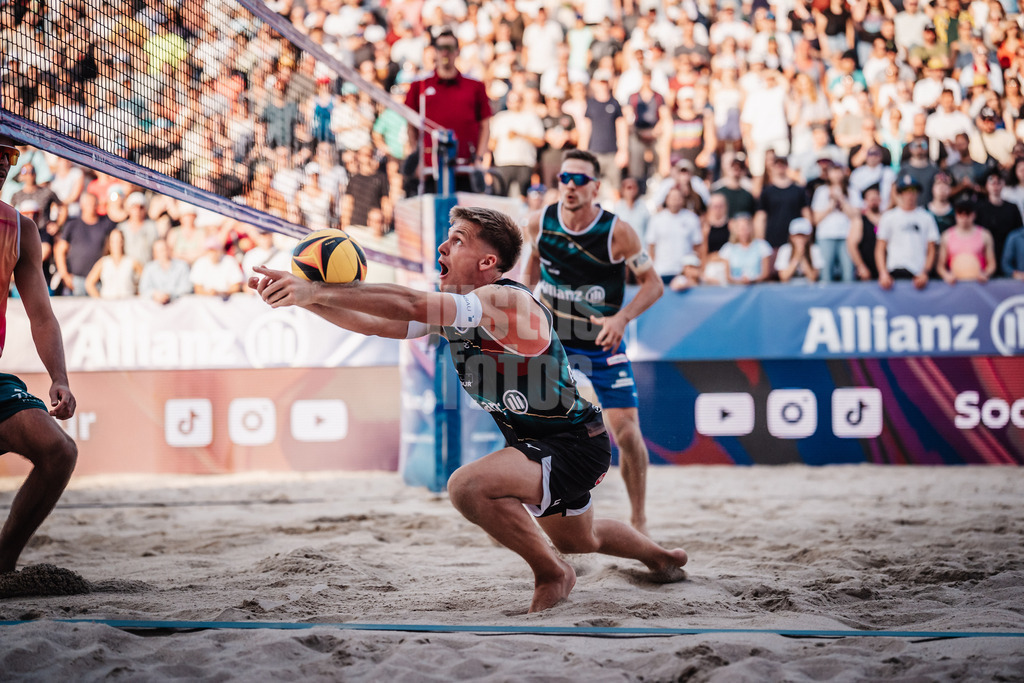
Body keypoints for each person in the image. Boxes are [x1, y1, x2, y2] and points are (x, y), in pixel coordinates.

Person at [250, 205, 686, 613]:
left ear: (487, 263)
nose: (442, 247)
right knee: (581, 538)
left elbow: (409, 304)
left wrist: (316, 288)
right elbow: (378, 323)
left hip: (572, 442)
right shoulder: (457, 314)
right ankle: (661, 558)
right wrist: (307, 300)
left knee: (467, 487)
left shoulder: (506, 301)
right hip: (543, 442)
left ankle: (552, 573)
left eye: (457, 240)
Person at [524, 150, 663, 536]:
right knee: (539, 433)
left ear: (596, 187)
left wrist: (622, 318)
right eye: (565, 178)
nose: (570, 185)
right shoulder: (539, 223)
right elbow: (528, 274)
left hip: (601, 339)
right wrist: (526, 309)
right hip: (553, 342)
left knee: (628, 435)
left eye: (580, 180)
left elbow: (655, 285)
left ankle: (638, 518)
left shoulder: (618, 231)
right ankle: (551, 520)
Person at [0, 135, 78, 574]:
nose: (3, 163)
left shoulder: (20, 228)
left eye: (8, 155)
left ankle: (2, 566)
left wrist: (60, 378)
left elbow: (42, 317)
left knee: (59, 452)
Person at [403, 28, 492, 195]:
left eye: (450, 48)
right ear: (434, 52)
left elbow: (485, 125)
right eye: (441, 48)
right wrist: (417, 157)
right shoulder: (419, 86)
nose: (445, 53)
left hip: (466, 169)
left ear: (457, 51)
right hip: (430, 171)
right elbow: (411, 125)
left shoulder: (475, 87)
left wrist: (479, 158)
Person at [876, 174, 940, 290]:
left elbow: (932, 249)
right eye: (906, 191)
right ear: (900, 194)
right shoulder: (888, 217)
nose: (910, 195)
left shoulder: (926, 217)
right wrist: (883, 273)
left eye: (913, 191)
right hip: (894, 273)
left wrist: (925, 272)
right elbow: (880, 248)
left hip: (918, 274)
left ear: (918, 193)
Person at [936, 198, 997, 284]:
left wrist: (986, 274)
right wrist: (946, 275)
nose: (964, 217)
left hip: (979, 284)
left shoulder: (985, 235)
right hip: (954, 285)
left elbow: (991, 264)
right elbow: (940, 265)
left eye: (967, 213)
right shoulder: (946, 236)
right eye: (960, 213)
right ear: (956, 215)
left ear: (974, 215)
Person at [83, 229, 142, 299]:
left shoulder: (131, 261)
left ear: (123, 242)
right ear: (109, 243)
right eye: (113, 241)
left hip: (128, 302)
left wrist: (139, 295)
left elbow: (145, 280)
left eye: (119, 241)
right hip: (107, 304)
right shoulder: (103, 262)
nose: (116, 244)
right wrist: (99, 299)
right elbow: (89, 283)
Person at [139, 237, 192, 304]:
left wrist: (169, 294)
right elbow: (143, 289)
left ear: (169, 249)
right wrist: (155, 294)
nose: (163, 252)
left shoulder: (182, 266)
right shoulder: (149, 268)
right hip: (154, 308)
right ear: (154, 253)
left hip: (177, 306)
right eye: (160, 250)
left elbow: (187, 287)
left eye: (164, 249)